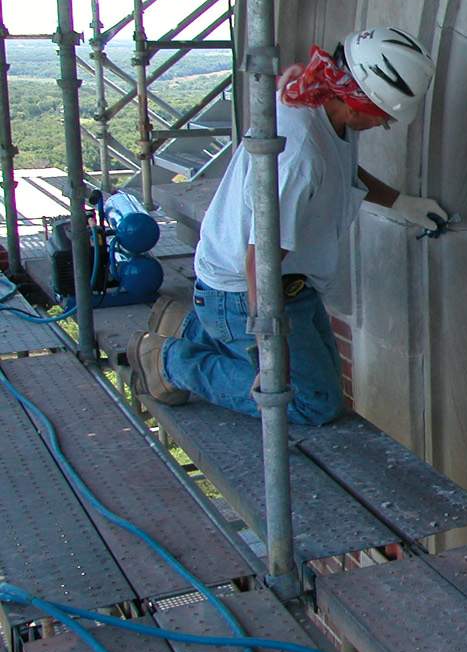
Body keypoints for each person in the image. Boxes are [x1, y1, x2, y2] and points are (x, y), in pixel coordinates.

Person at [126, 27, 449, 424]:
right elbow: (259, 257)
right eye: (382, 119)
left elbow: (341, 170)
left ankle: (193, 328)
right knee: (313, 402)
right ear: (358, 101)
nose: (382, 125)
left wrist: (402, 203)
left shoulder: (318, 105)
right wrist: (267, 345)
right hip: (241, 289)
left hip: (290, 283)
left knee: (324, 386)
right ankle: (169, 361)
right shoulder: (298, 156)